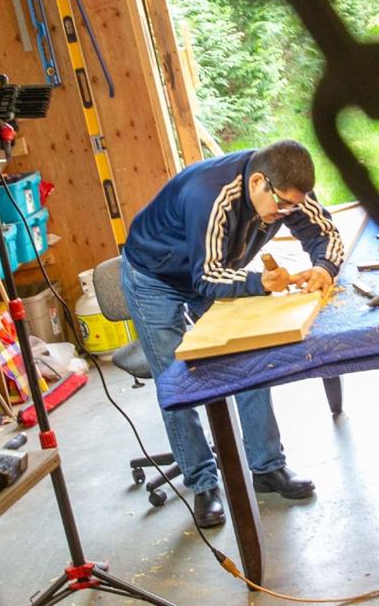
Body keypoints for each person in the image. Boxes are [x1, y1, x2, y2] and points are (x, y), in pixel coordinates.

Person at [120, 140, 344, 527]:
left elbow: (327, 234)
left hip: (213, 267)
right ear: (258, 183)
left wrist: (324, 267)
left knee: (248, 357)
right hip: (154, 277)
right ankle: (202, 483)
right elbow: (206, 278)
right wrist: (260, 283)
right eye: (282, 206)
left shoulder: (285, 186)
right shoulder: (209, 195)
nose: (286, 214)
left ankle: (267, 467)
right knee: (177, 378)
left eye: (293, 207)